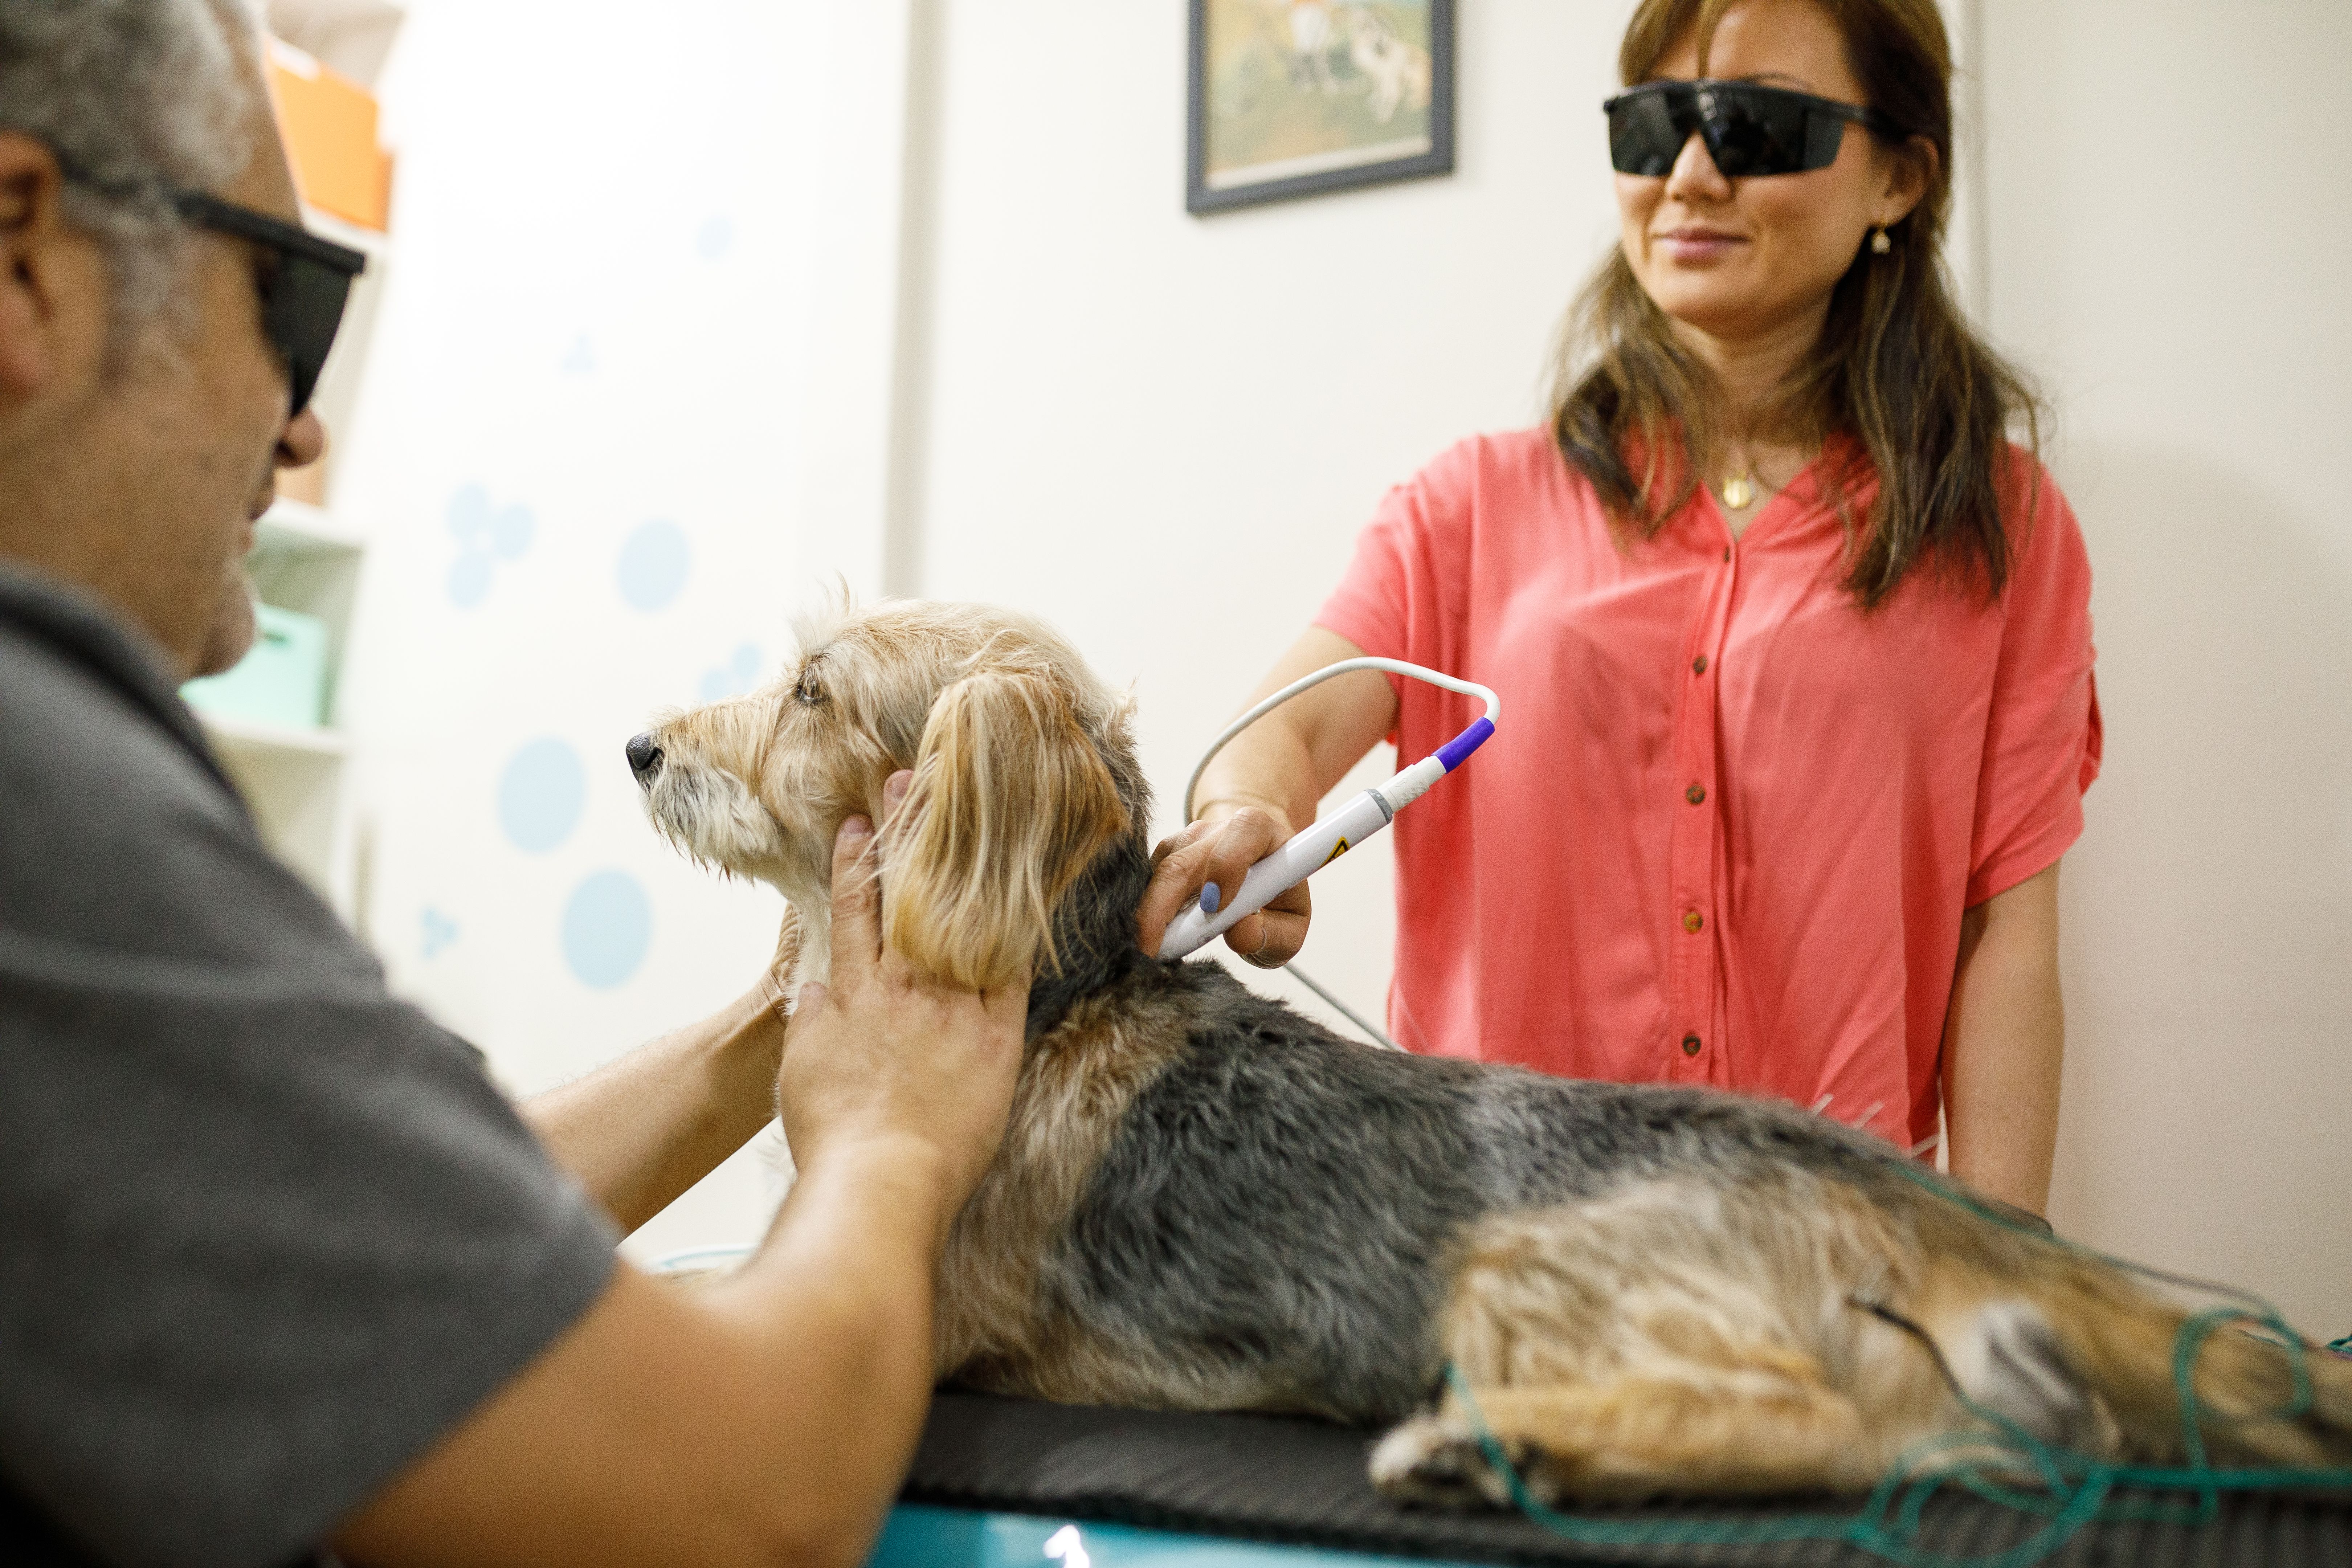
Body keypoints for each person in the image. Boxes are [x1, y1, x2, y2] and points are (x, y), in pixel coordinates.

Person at [0, 4, 1025, 1565]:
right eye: (294, 300)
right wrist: (893, 1138)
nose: (306, 423)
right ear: (22, 260)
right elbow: (745, 1499)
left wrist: (789, 1035)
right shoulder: (40, 801)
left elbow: (363, 1240)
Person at [1138, 0, 2099, 1219]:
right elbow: (1286, 734)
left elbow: (2006, 938)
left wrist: (2001, 1276)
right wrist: (1244, 814)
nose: (1691, 176)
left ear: (1902, 177)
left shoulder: (2001, 525)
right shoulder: (1467, 505)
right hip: (1490, 1249)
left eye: (1757, 125)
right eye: (1654, 128)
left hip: (1832, 1265)